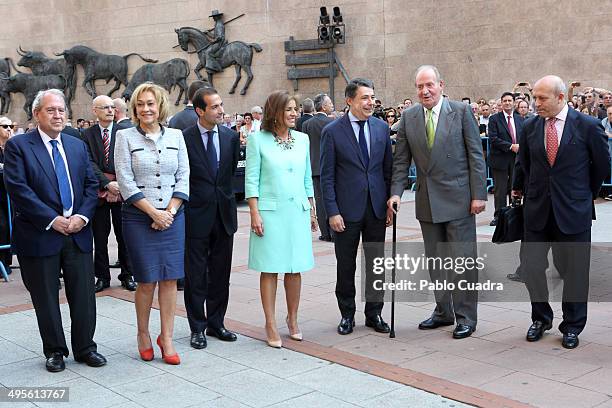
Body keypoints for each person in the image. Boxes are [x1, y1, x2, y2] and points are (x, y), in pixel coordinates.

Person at [4, 89, 106, 372]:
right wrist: (52, 220)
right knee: (46, 298)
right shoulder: (20, 146)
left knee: (84, 295)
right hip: (40, 234)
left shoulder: (76, 144)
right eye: (51, 110)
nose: (58, 115)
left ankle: (86, 348)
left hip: (77, 233)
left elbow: (90, 184)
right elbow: (18, 189)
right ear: (37, 114)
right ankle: (55, 351)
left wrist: (82, 217)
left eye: (61, 110)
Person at [388, 65, 487, 340]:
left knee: (462, 260)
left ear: (441, 85)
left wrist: (479, 194)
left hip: (459, 199)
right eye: (420, 86)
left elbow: (475, 155)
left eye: (429, 85)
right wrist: (396, 192)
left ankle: (466, 317)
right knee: (437, 262)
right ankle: (444, 312)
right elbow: (401, 162)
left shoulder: (462, 111)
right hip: (427, 200)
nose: (425, 91)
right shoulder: (408, 117)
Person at [518, 75, 610, 349]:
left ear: (561, 98)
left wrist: (582, 196)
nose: (536, 104)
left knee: (575, 271)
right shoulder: (530, 126)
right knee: (531, 267)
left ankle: (572, 325)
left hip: (573, 211)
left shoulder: (588, 126)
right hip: (537, 210)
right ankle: (541, 317)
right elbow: (525, 163)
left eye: (542, 98)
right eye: (534, 97)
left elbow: (602, 168)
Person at [115, 83, 190, 364]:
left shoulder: (177, 136)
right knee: (146, 281)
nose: (146, 109)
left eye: (151, 103)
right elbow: (125, 180)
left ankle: (167, 337)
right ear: (134, 109)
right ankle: (143, 334)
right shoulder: (124, 137)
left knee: (170, 279)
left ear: (160, 106)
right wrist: (153, 214)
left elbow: (183, 176)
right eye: (141, 104)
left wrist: (169, 211)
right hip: (138, 217)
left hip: (173, 217)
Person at [320, 78, 393, 336]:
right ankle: (347, 315)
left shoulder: (381, 129)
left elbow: (387, 171)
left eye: (372, 97)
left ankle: (374, 313)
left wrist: (388, 203)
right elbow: (326, 176)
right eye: (364, 98)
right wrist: (332, 211)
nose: (370, 102)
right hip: (346, 212)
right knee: (346, 265)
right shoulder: (332, 131)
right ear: (349, 100)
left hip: (375, 209)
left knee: (376, 264)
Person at [245, 90, 317, 348]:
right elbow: (251, 180)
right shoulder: (257, 140)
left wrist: (311, 210)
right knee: (270, 267)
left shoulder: (303, 139)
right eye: (288, 109)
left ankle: (293, 318)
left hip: (296, 210)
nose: (294, 113)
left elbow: (307, 178)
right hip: (269, 212)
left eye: (296, 109)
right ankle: (270, 322)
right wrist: (254, 212)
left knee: (295, 267)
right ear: (275, 112)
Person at [183, 87, 240, 349]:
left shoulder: (230, 137)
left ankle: (217, 323)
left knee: (220, 273)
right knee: (196, 274)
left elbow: (228, 175)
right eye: (214, 107)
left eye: (221, 105)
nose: (221, 110)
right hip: (196, 215)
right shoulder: (184, 138)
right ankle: (197, 327)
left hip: (224, 215)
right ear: (200, 111)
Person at [81, 95, 136, 292]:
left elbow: (130, 160)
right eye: (105, 107)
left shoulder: (126, 131)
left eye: (112, 107)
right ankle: (102, 277)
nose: (110, 110)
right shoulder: (87, 134)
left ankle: (128, 275)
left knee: (125, 236)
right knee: (100, 237)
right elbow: (88, 162)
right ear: (95, 111)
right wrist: (106, 184)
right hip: (99, 193)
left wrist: (118, 184)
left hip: (123, 191)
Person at [488, 92, 524, 226]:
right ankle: (499, 217)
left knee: (516, 188)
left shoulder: (520, 119)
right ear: (501, 103)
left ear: (514, 103)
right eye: (505, 101)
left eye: (510, 100)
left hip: (516, 159)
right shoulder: (494, 119)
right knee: (500, 190)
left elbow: (524, 137)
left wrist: (520, 147)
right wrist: (510, 146)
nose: (507, 103)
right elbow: (493, 138)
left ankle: (515, 215)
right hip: (500, 159)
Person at [302, 93, 334, 242]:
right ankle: (334, 232)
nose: (332, 105)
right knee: (332, 199)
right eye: (330, 103)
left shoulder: (307, 124)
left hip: (314, 167)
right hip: (331, 167)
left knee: (320, 201)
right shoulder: (332, 122)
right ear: (323, 106)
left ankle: (325, 233)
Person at [0, 117, 14, 273]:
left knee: (10, 225)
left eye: (11, 126)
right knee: (2, 226)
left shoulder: (14, 146)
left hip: (11, 196)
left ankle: (7, 261)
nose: (9, 129)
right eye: (5, 126)